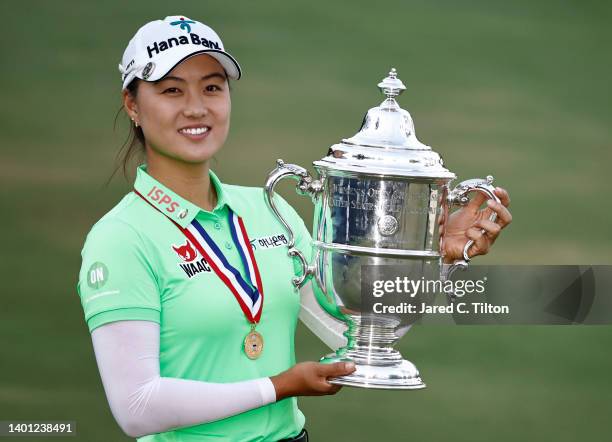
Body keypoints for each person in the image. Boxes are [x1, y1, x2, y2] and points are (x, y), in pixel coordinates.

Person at [77, 15, 512, 442]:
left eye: (212, 87)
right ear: (132, 105)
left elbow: (358, 333)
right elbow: (136, 408)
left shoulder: (267, 209)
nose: (197, 107)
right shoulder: (121, 238)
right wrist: (280, 386)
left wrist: (434, 258)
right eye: (172, 90)